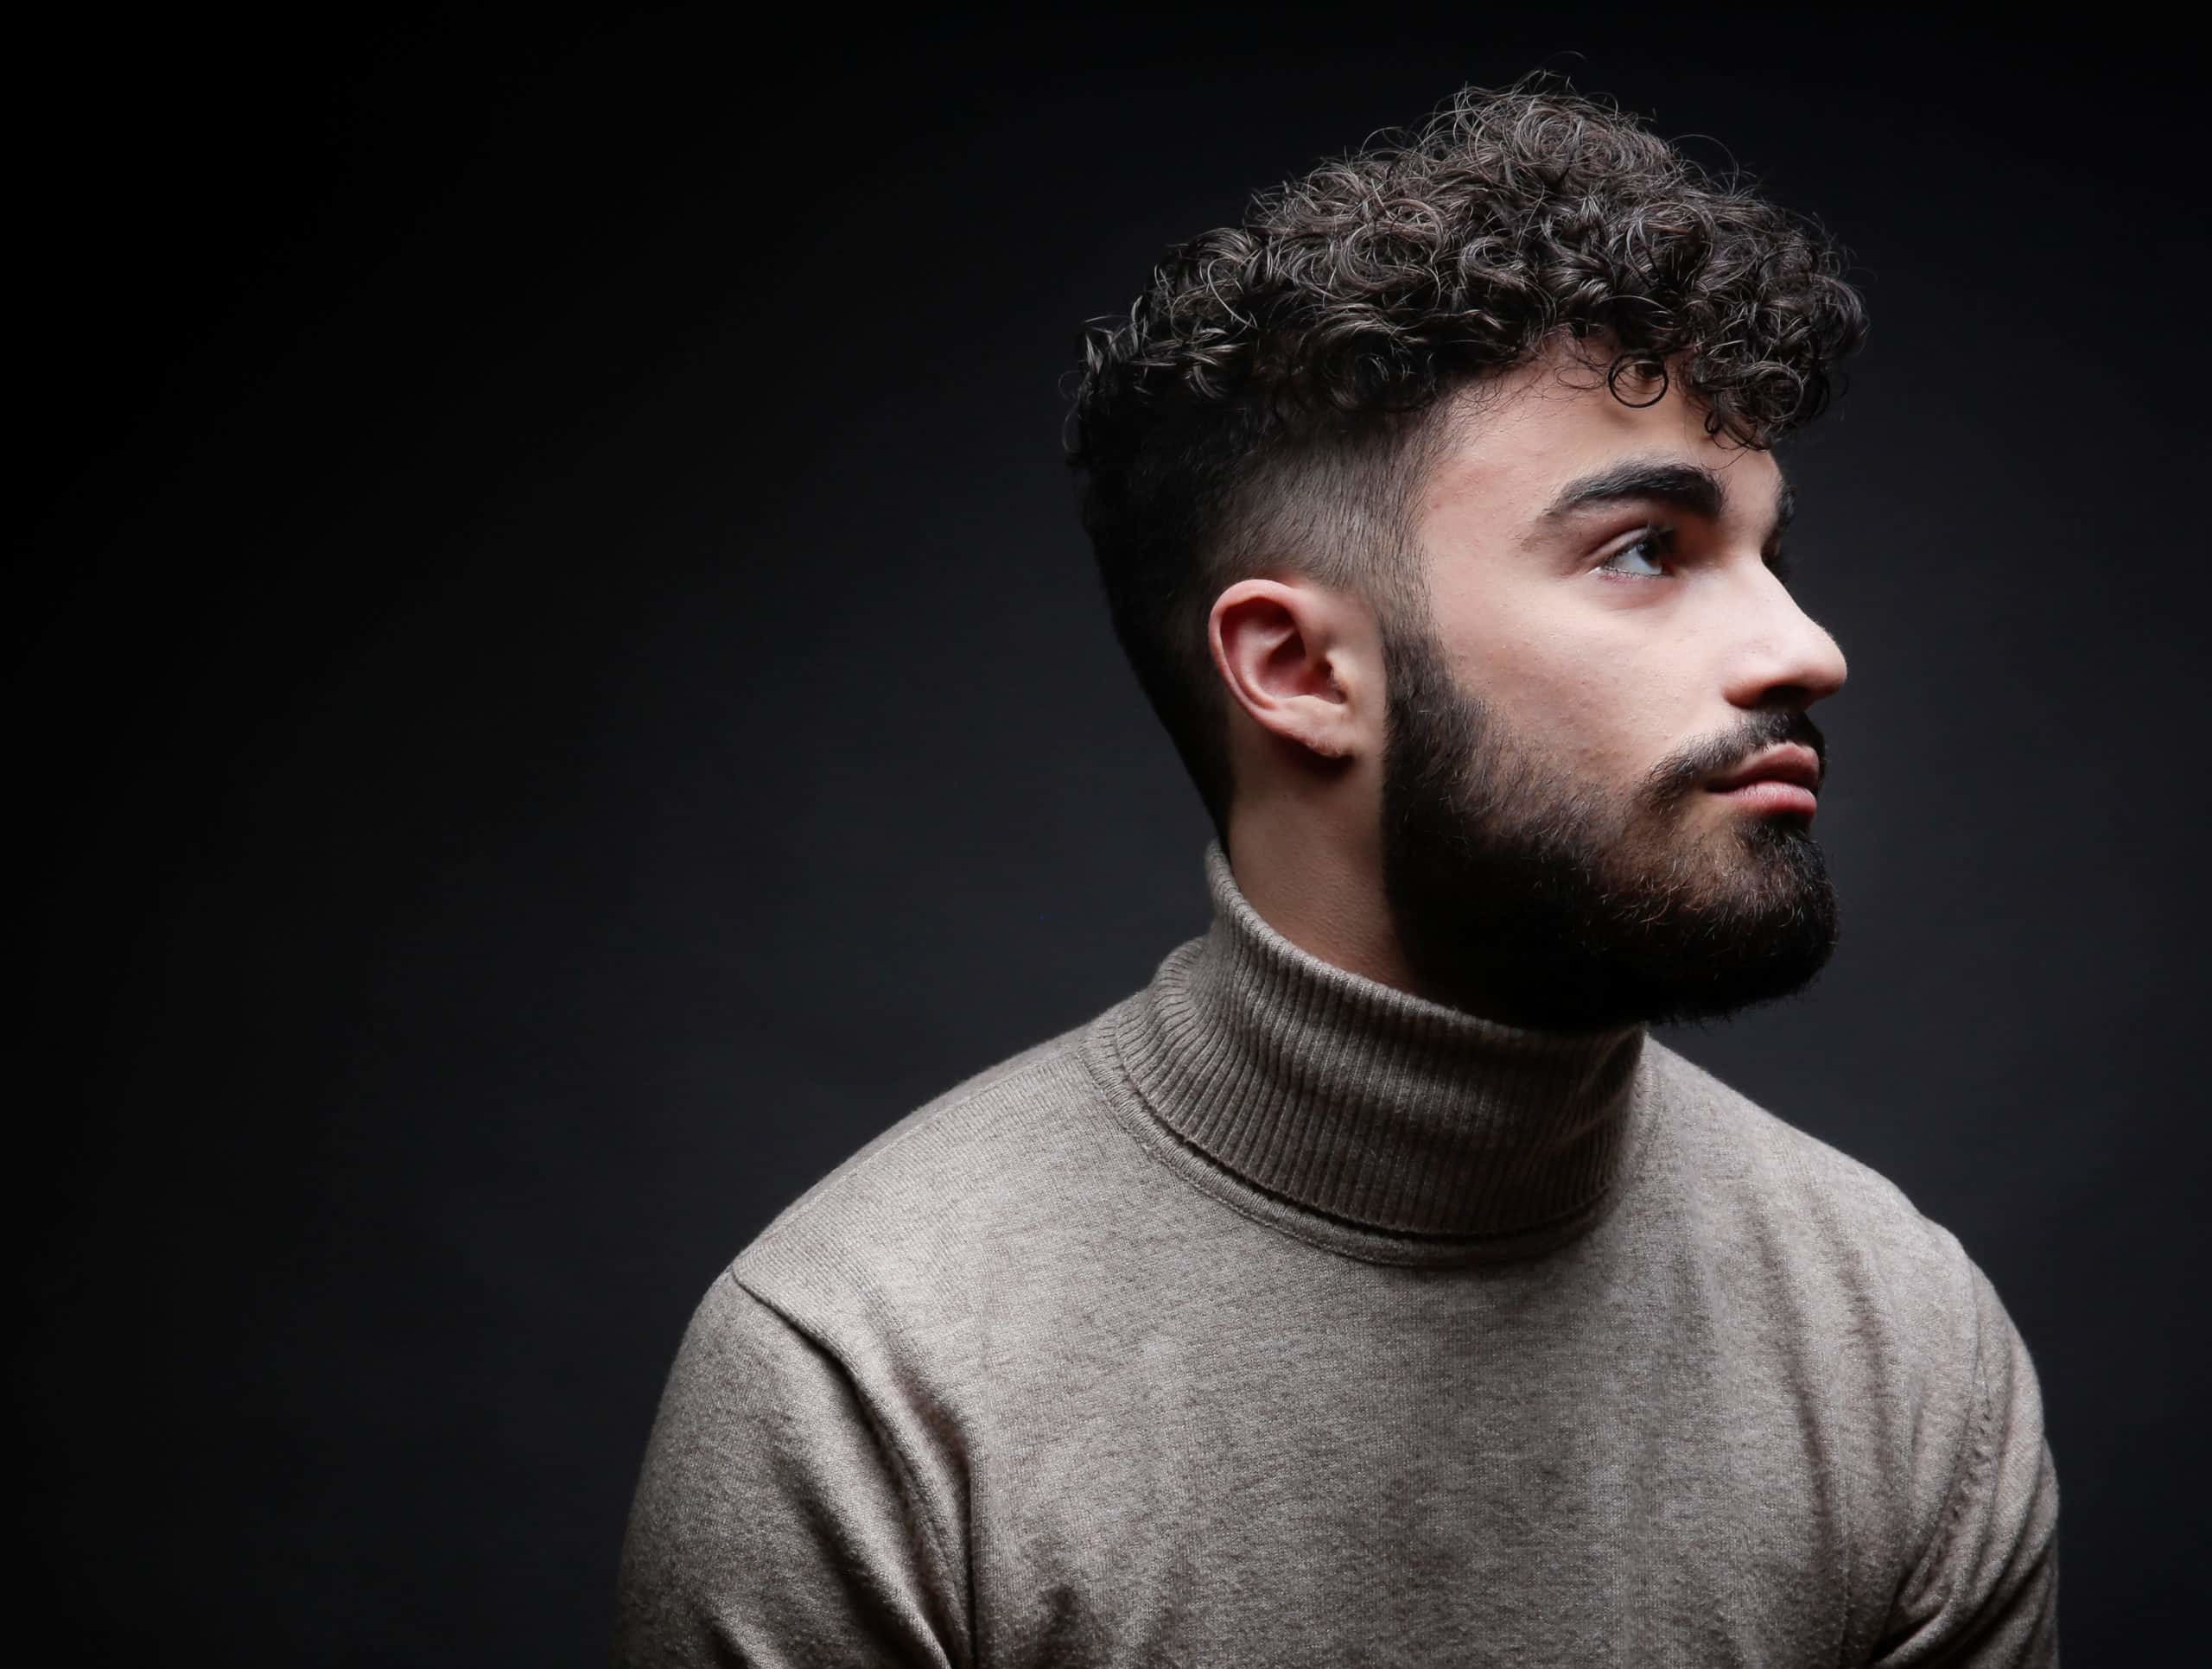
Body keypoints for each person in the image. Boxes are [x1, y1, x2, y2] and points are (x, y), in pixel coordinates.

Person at [613, 79, 2060, 1666]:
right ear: (1301, 671)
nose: (1807, 649)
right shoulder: (865, 1385)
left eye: (1770, 557)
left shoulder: (1900, 1343)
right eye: (1647, 548)